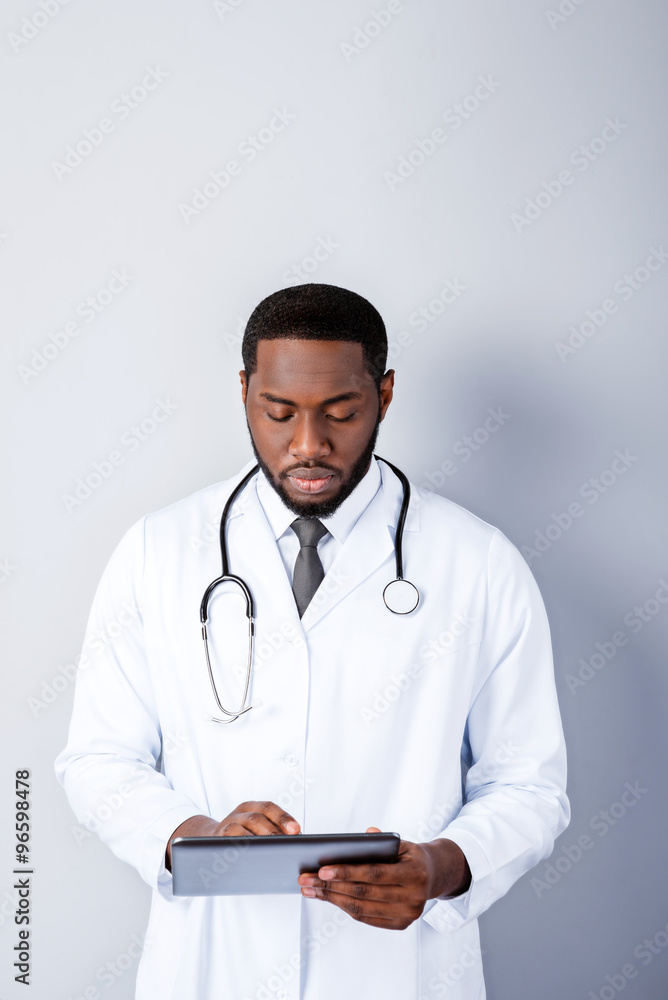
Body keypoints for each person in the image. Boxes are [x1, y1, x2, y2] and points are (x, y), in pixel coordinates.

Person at [55, 282, 569, 999]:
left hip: (395, 973)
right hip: (214, 968)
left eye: (341, 412)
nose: (308, 445)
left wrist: (442, 867)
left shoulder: (477, 562)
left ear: (384, 395)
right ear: (244, 393)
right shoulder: (158, 551)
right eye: (278, 413)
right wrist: (190, 835)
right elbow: (98, 759)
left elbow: (529, 784)